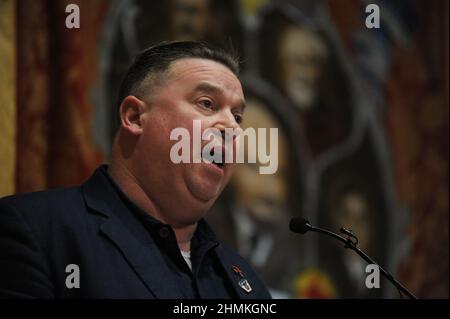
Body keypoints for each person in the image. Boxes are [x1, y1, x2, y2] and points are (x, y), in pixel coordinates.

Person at [0, 41, 271, 299]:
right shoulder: (35, 230)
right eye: (207, 104)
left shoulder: (242, 278)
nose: (232, 128)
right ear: (134, 116)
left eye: (237, 117)